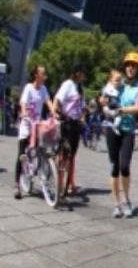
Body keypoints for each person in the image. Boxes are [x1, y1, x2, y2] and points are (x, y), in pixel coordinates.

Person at [102, 52, 138, 218]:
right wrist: (103, 101)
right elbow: (105, 96)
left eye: (134, 66)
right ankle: (116, 203)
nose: (130, 68)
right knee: (114, 167)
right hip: (112, 129)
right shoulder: (118, 83)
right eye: (128, 65)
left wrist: (120, 109)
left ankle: (127, 200)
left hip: (128, 130)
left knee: (125, 166)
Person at [14, 66, 57, 200]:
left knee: (42, 149)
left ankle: (41, 171)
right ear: (36, 75)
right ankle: (17, 185)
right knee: (21, 154)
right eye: (43, 74)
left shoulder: (43, 89)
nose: (45, 76)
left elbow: (48, 101)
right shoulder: (28, 88)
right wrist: (24, 112)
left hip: (37, 124)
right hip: (27, 124)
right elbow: (23, 102)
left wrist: (53, 112)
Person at [53, 64, 87, 199]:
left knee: (72, 155)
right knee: (64, 154)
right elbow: (58, 99)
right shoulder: (68, 84)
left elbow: (83, 107)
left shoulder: (80, 88)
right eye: (83, 73)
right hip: (66, 122)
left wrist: (83, 117)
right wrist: (55, 111)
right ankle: (60, 184)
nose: (84, 76)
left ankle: (71, 184)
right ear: (77, 73)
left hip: (76, 124)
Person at [101, 69, 123, 136]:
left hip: (113, 107)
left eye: (119, 81)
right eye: (116, 81)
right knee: (118, 112)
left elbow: (122, 83)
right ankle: (107, 122)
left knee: (119, 115)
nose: (118, 82)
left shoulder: (118, 87)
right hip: (110, 104)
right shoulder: (109, 87)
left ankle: (114, 125)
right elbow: (105, 95)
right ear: (111, 80)